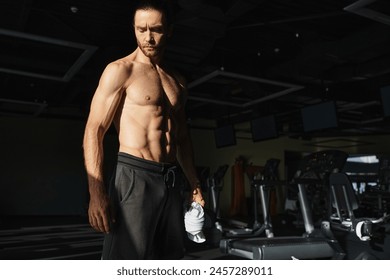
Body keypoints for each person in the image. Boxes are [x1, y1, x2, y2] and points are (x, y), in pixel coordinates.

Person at [82, 0, 204, 259]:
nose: (148, 37)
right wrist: (96, 192)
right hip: (135, 174)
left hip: (171, 178)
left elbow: (182, 137)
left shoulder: (177, 81)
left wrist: (195, 184)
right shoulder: (120, 71)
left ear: (169, 30)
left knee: (169, 259)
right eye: (141, 29)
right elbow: (95, 129)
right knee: (126, 261)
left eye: (156, 30)